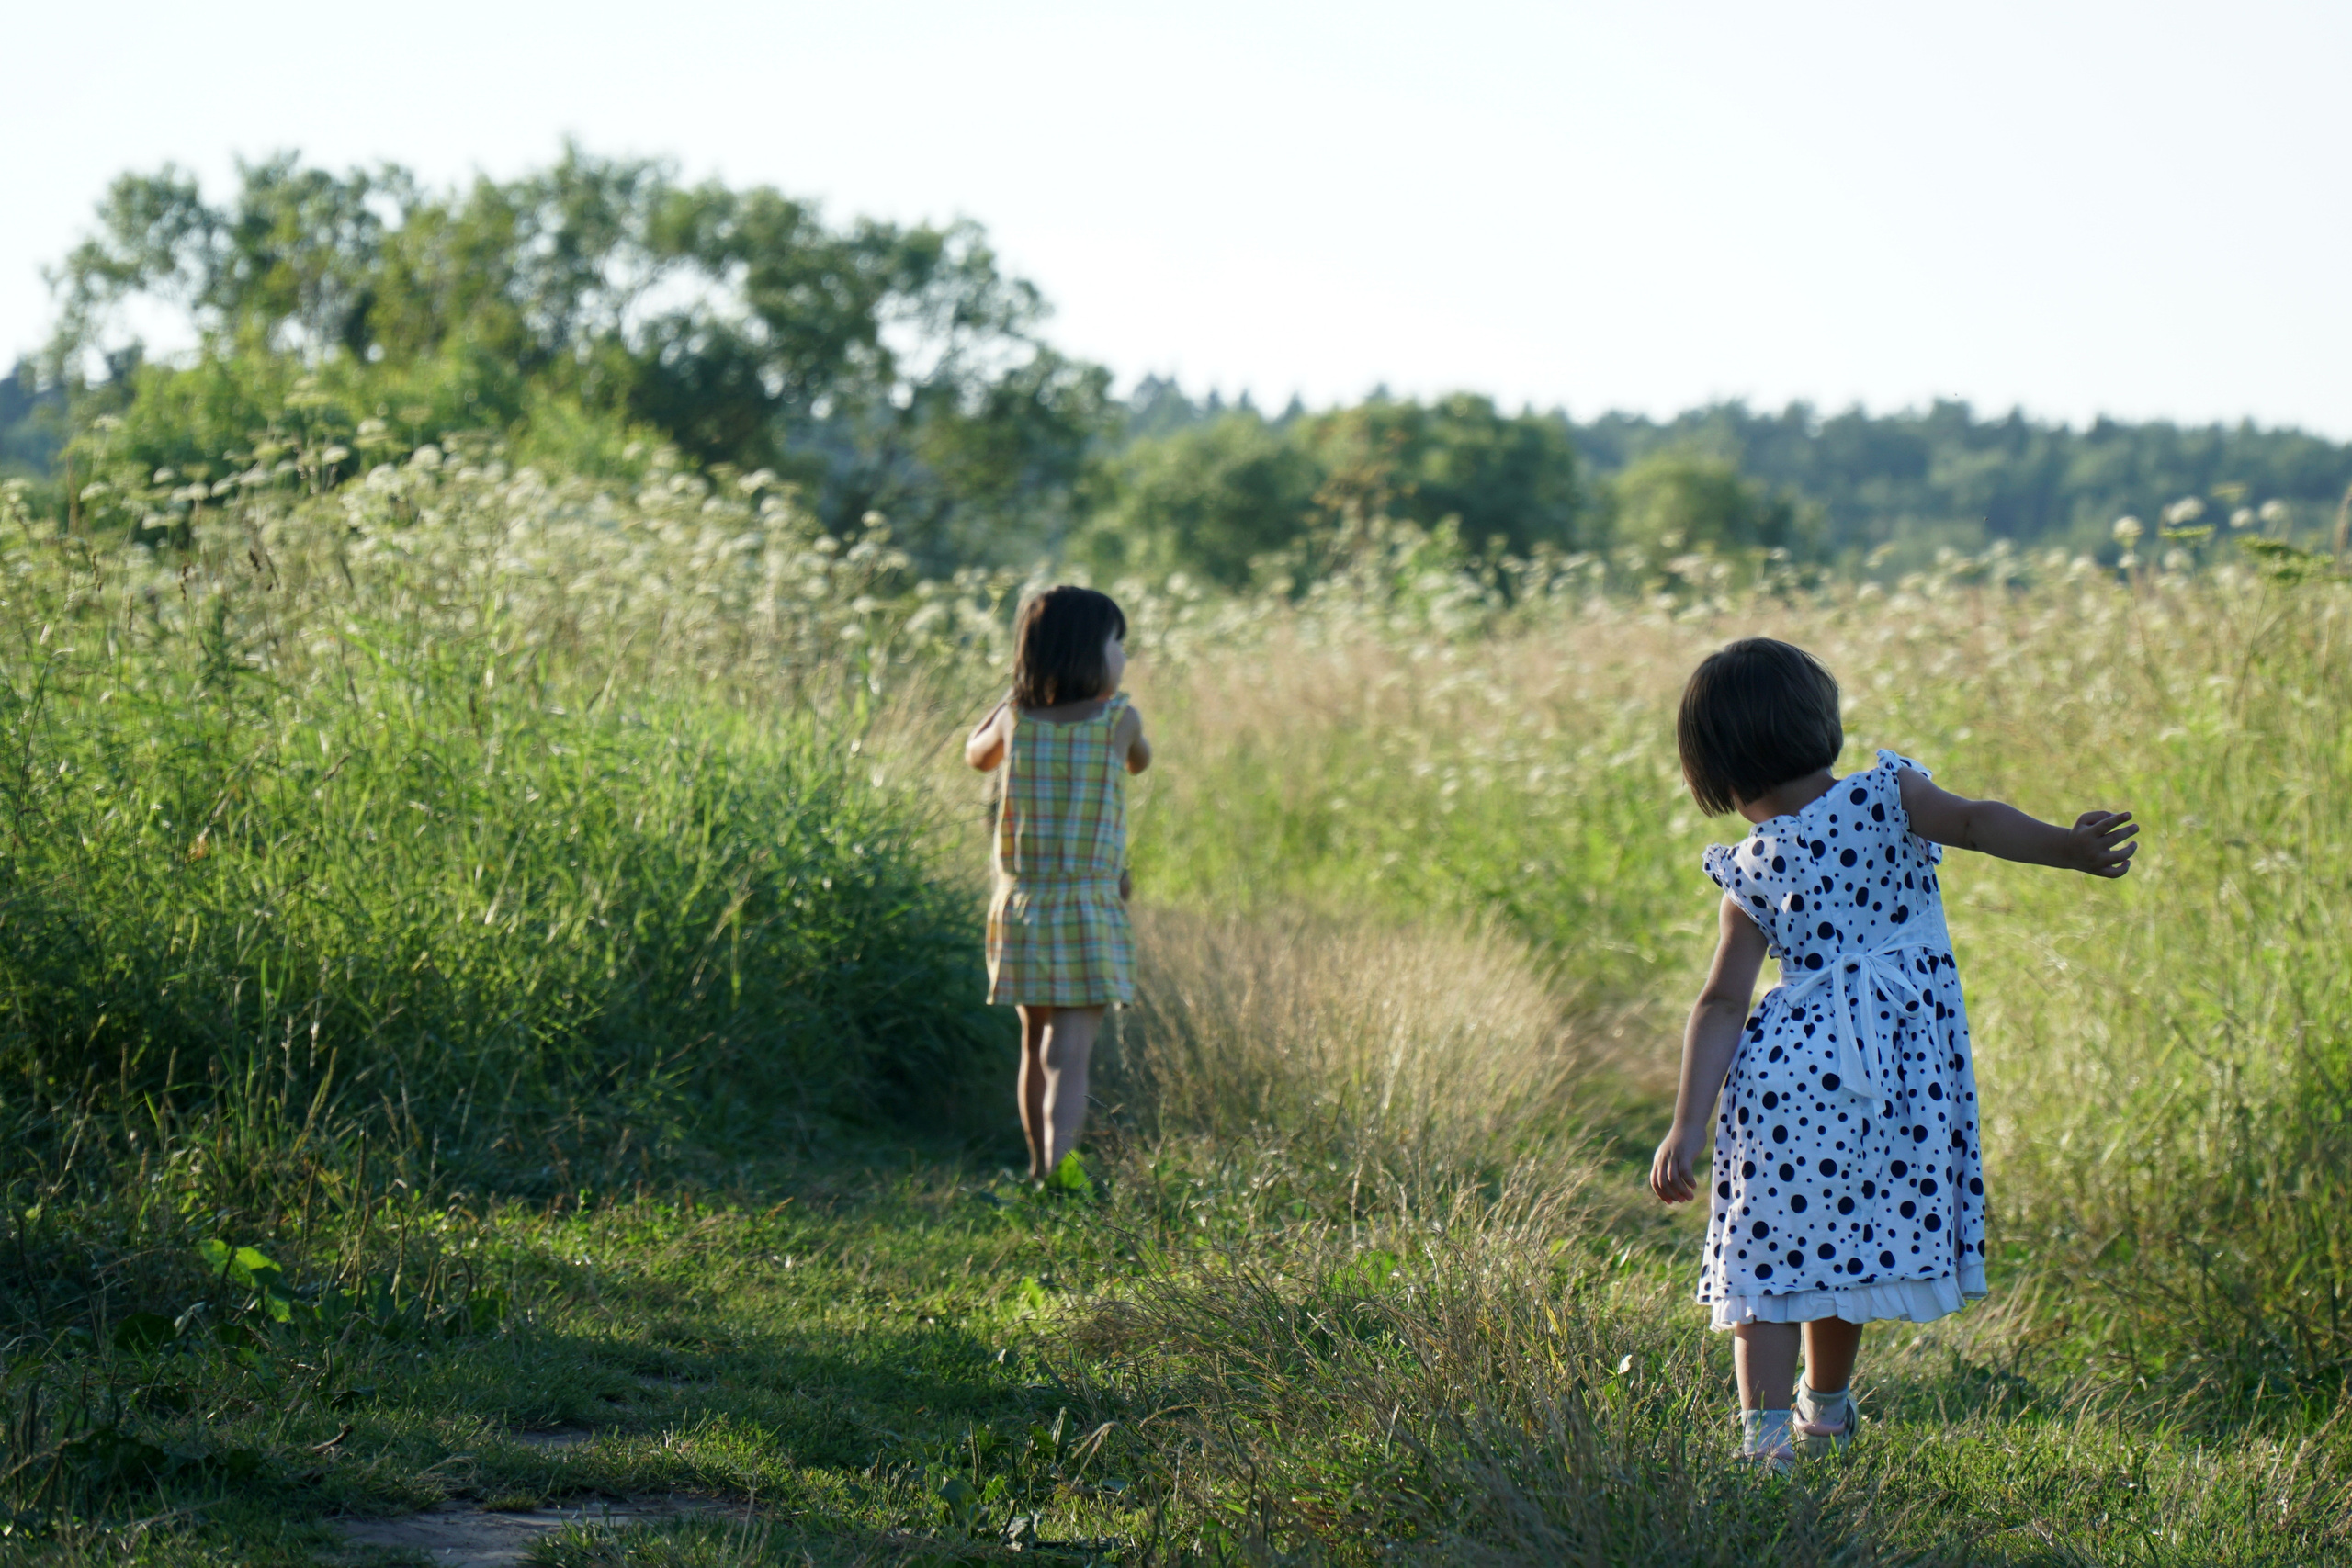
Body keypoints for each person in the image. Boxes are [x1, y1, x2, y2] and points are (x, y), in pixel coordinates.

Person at [1648, 637, 2138, 1470]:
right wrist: (2069, 846)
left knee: (1770, 1257)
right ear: (1821, 724)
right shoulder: (1885, 795)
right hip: (1890, 1078)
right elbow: (1980, 821)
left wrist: (1686, 1125)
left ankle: (1766, 1448)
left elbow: (1723, 1000)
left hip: (1784, 1079)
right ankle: (1826, 1409)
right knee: (1846, 1241)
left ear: (1715, 769)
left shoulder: (1754, 865)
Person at [965, 586, 1152, 1186]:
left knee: (1033, 1042)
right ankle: (1061, 1175)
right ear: (1090, 653)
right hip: (1089, 907)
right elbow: (1140, 762)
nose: (1123, 656)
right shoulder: (1121, 719)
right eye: (1116, 643)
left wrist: (1006, 700)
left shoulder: (1014, 720)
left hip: (1024, 904)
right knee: (1071, 1054)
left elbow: (976, 757)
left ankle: (1036, 1167)